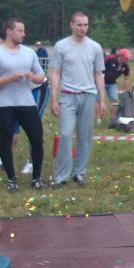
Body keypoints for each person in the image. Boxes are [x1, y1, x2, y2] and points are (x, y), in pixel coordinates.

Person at [0, 18, 47, 192]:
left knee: (37, 139)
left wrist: (34, 77)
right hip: (5, 104)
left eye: (24, 30)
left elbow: (41, 77)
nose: (23, 34)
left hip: (26, 102)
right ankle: (12, 179)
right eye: (20, 30)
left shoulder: (29, 53)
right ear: (9, 32)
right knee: (6, 140)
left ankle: (36, 178)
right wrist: (9, 79)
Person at [50, 12, 106, 188]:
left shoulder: (95, 47)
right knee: (66, 134)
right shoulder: (61, 46)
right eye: (80, 25)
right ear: (72, 25)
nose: (83, 28)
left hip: (88, 95)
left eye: (86, 25)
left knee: (84, 136)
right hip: (67, 95)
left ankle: (79, 173)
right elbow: (56, 72)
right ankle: (61, 176)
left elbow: (98, 74)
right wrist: (53, 98)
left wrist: (102, 100)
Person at [103, 48, 131, 118]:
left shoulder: (126, 66)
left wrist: (128, 92)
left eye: (128, 58)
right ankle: (99, 119)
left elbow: (127, 79)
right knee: (99, 100)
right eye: (126, 58)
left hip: (112, 83)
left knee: (114, 100)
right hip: (101, 82)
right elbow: (98, 67)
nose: (127, 59)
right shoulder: (109, 58)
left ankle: (113, 118)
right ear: (120, 56)